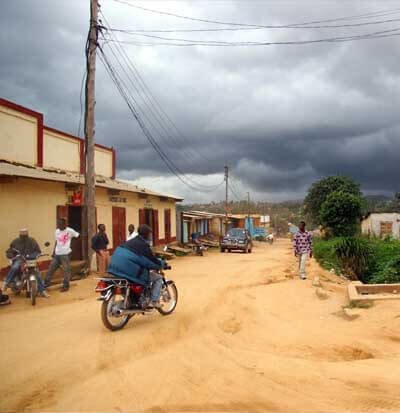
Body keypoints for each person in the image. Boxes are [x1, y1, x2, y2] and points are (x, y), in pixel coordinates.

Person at [108, 224, 163, 308]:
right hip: (127, 271)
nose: (151, 236)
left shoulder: (131, 241)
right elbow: (151, 262)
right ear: (147, 234)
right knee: (158, 278)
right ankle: (154, 301)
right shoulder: (143, 246)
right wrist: (162, 264)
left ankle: (137, 297)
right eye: (150, 234)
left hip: (114, 268)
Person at [3, 229, 49, 297]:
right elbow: (10, 250)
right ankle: (6, 283)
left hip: (30, 260)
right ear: (20, 235)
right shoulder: (16, 241)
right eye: (22, 236)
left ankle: (42, 290)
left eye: (25, 236)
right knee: (15, 267)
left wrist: (34, 255)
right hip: (20, 259)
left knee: (37, 274)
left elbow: (38, 251)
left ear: (27, 235)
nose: (23, 237)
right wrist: (11, 255)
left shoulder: (32, 241)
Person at [44, 218, 79, 292]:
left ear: (64, 224)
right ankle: (45, 285)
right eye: (58, 223)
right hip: (57, 254)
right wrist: (54, 252)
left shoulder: (70, 230)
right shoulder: (56, 231)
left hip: (65, 254)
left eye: (60, 223)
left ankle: (65, 286)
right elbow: (57, 242)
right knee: (51, 269)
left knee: (66, 271)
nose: (58, 225)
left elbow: (77, 236)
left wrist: (71, 246)